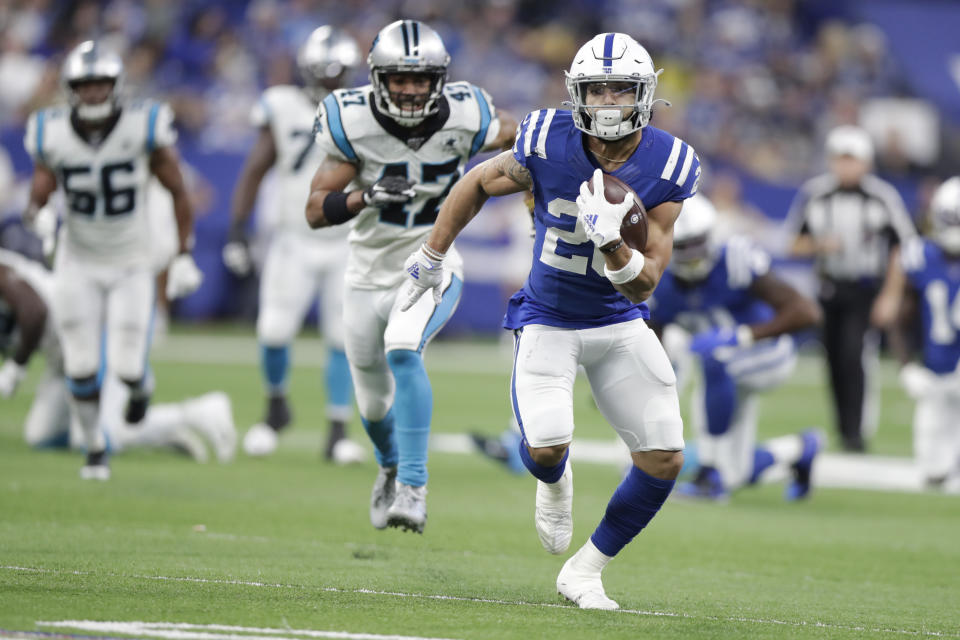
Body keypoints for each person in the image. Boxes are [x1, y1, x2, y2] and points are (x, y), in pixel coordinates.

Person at [403, 32, 697, 610]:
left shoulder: (670, 163)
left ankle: (585, 571)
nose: (609, 101)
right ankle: (554, 481)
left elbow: (647, 281)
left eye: (622, 90)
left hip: (618, 322)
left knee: (664, 457)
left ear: (645, 95)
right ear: (576, 92)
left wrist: (611, 241)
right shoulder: (545, 138)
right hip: (548, 319)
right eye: (598, 89)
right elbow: (478, 182)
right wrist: (433, 252)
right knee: (545, 450)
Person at [304, 20, 516, 533]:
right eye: (400, 78)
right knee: (373, 404)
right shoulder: (349, 118)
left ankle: (414, 488)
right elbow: (313, 210)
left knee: (403, 346)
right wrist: (365, 196)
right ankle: (390, 466)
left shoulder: (469, 112)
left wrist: (531, 185)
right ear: (378, 76)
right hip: (365, 272)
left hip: (432, 262)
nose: (411, 89)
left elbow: (529, 142)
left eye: (422, 78)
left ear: (439, 78)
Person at [21, 41, 203, 477]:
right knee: (81, 362)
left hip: (131, 260)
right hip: (78, 259)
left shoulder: (145, 125)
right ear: (71, 89)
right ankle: (94, 449)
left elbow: (178, 190)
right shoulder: (51, 131)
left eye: (101, 84)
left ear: (117, 85)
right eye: (85, 85)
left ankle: (141, 388)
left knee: (125, 366)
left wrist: (182, 253)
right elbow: (40, 192)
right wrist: (41, 217)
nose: (94, 93)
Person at [223, 26, 365, 463]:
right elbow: (255, 169)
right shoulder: (281, 106)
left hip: (345, 239)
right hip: (293, 236)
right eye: (322, 73)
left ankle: (338, 431)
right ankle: (274, 410)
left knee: (343, 338)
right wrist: (237, 229)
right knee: (273, 330)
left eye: (336, 73)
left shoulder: (365, 109)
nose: (329, 81)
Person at [648, 194, 824, 501]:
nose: (691, 255)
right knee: (737, 474)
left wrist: (742, 336)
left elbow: (806, 311)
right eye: (682, 246)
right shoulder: (659, 279)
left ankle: (708, 472)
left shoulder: (735, 259)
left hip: (767, 352)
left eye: (697, 243)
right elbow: (653, 342)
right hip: (725, 366)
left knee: (713, 357)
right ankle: (801, 448)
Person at [0, 249, 236, 475]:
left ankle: (196, 413)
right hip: (61, 356)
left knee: (95, 436)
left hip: (95, 335)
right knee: (42, 436)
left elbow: (34, 311)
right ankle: (157, 432)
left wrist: (16, 366)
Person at [787, 125, 916, 452]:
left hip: (865, 287)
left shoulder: (882, 196)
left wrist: (890, 295)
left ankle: (855, 433)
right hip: (830, 288)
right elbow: (793, 243)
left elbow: (904, 247)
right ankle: (843, 427)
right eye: (841, 159)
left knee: (853, 354)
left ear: (866, 162)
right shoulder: (815, 193)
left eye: (852, 160)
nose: (846, 167)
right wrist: (819, 245)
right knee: (832, 359)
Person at [874, 177, 960, 492]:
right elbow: (898, 316)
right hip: (936, 372)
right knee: (932, 472)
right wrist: (907, 365)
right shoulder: (919, 256)